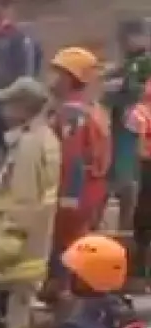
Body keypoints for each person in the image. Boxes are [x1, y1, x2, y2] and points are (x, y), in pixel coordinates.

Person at [0, 77, 60, 328]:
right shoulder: (45, 138)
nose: (2, 110)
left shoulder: (28, 146)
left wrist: (6, 244)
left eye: (7, 104)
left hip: (17, 247)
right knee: (20, 311)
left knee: (15, 325)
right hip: (35, 241)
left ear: (23, 107)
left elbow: (23, 198)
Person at [46, 47, 112, 296]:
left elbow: (72, 157)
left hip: (75, 189)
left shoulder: (71, 113)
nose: (52, 79)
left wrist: (68, 198)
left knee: (68, 243)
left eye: (58, 73)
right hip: (92, 187)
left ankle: (65, 290)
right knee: (81, 240)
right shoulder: (94, 108)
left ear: (70, 77)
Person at [0, 0, 41, 211]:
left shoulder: (19, 39)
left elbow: (26, 79)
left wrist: (17, 104)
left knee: (14, 161)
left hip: (11, 111)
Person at [102, 18, 151, 233]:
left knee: (128, 177)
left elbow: (138, 90)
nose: (123, 44)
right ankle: (124, 223)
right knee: (118, 175)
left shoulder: (145, 62)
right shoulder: (128, 62)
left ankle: (126, 224)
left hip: (135, 127)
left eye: (126, 39)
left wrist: (122, 86)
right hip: (120, 123)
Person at [130, 80, 151, 279]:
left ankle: (141, 266)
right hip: (146, 165)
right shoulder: (141, 111)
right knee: (144, 214)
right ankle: (140, 266)